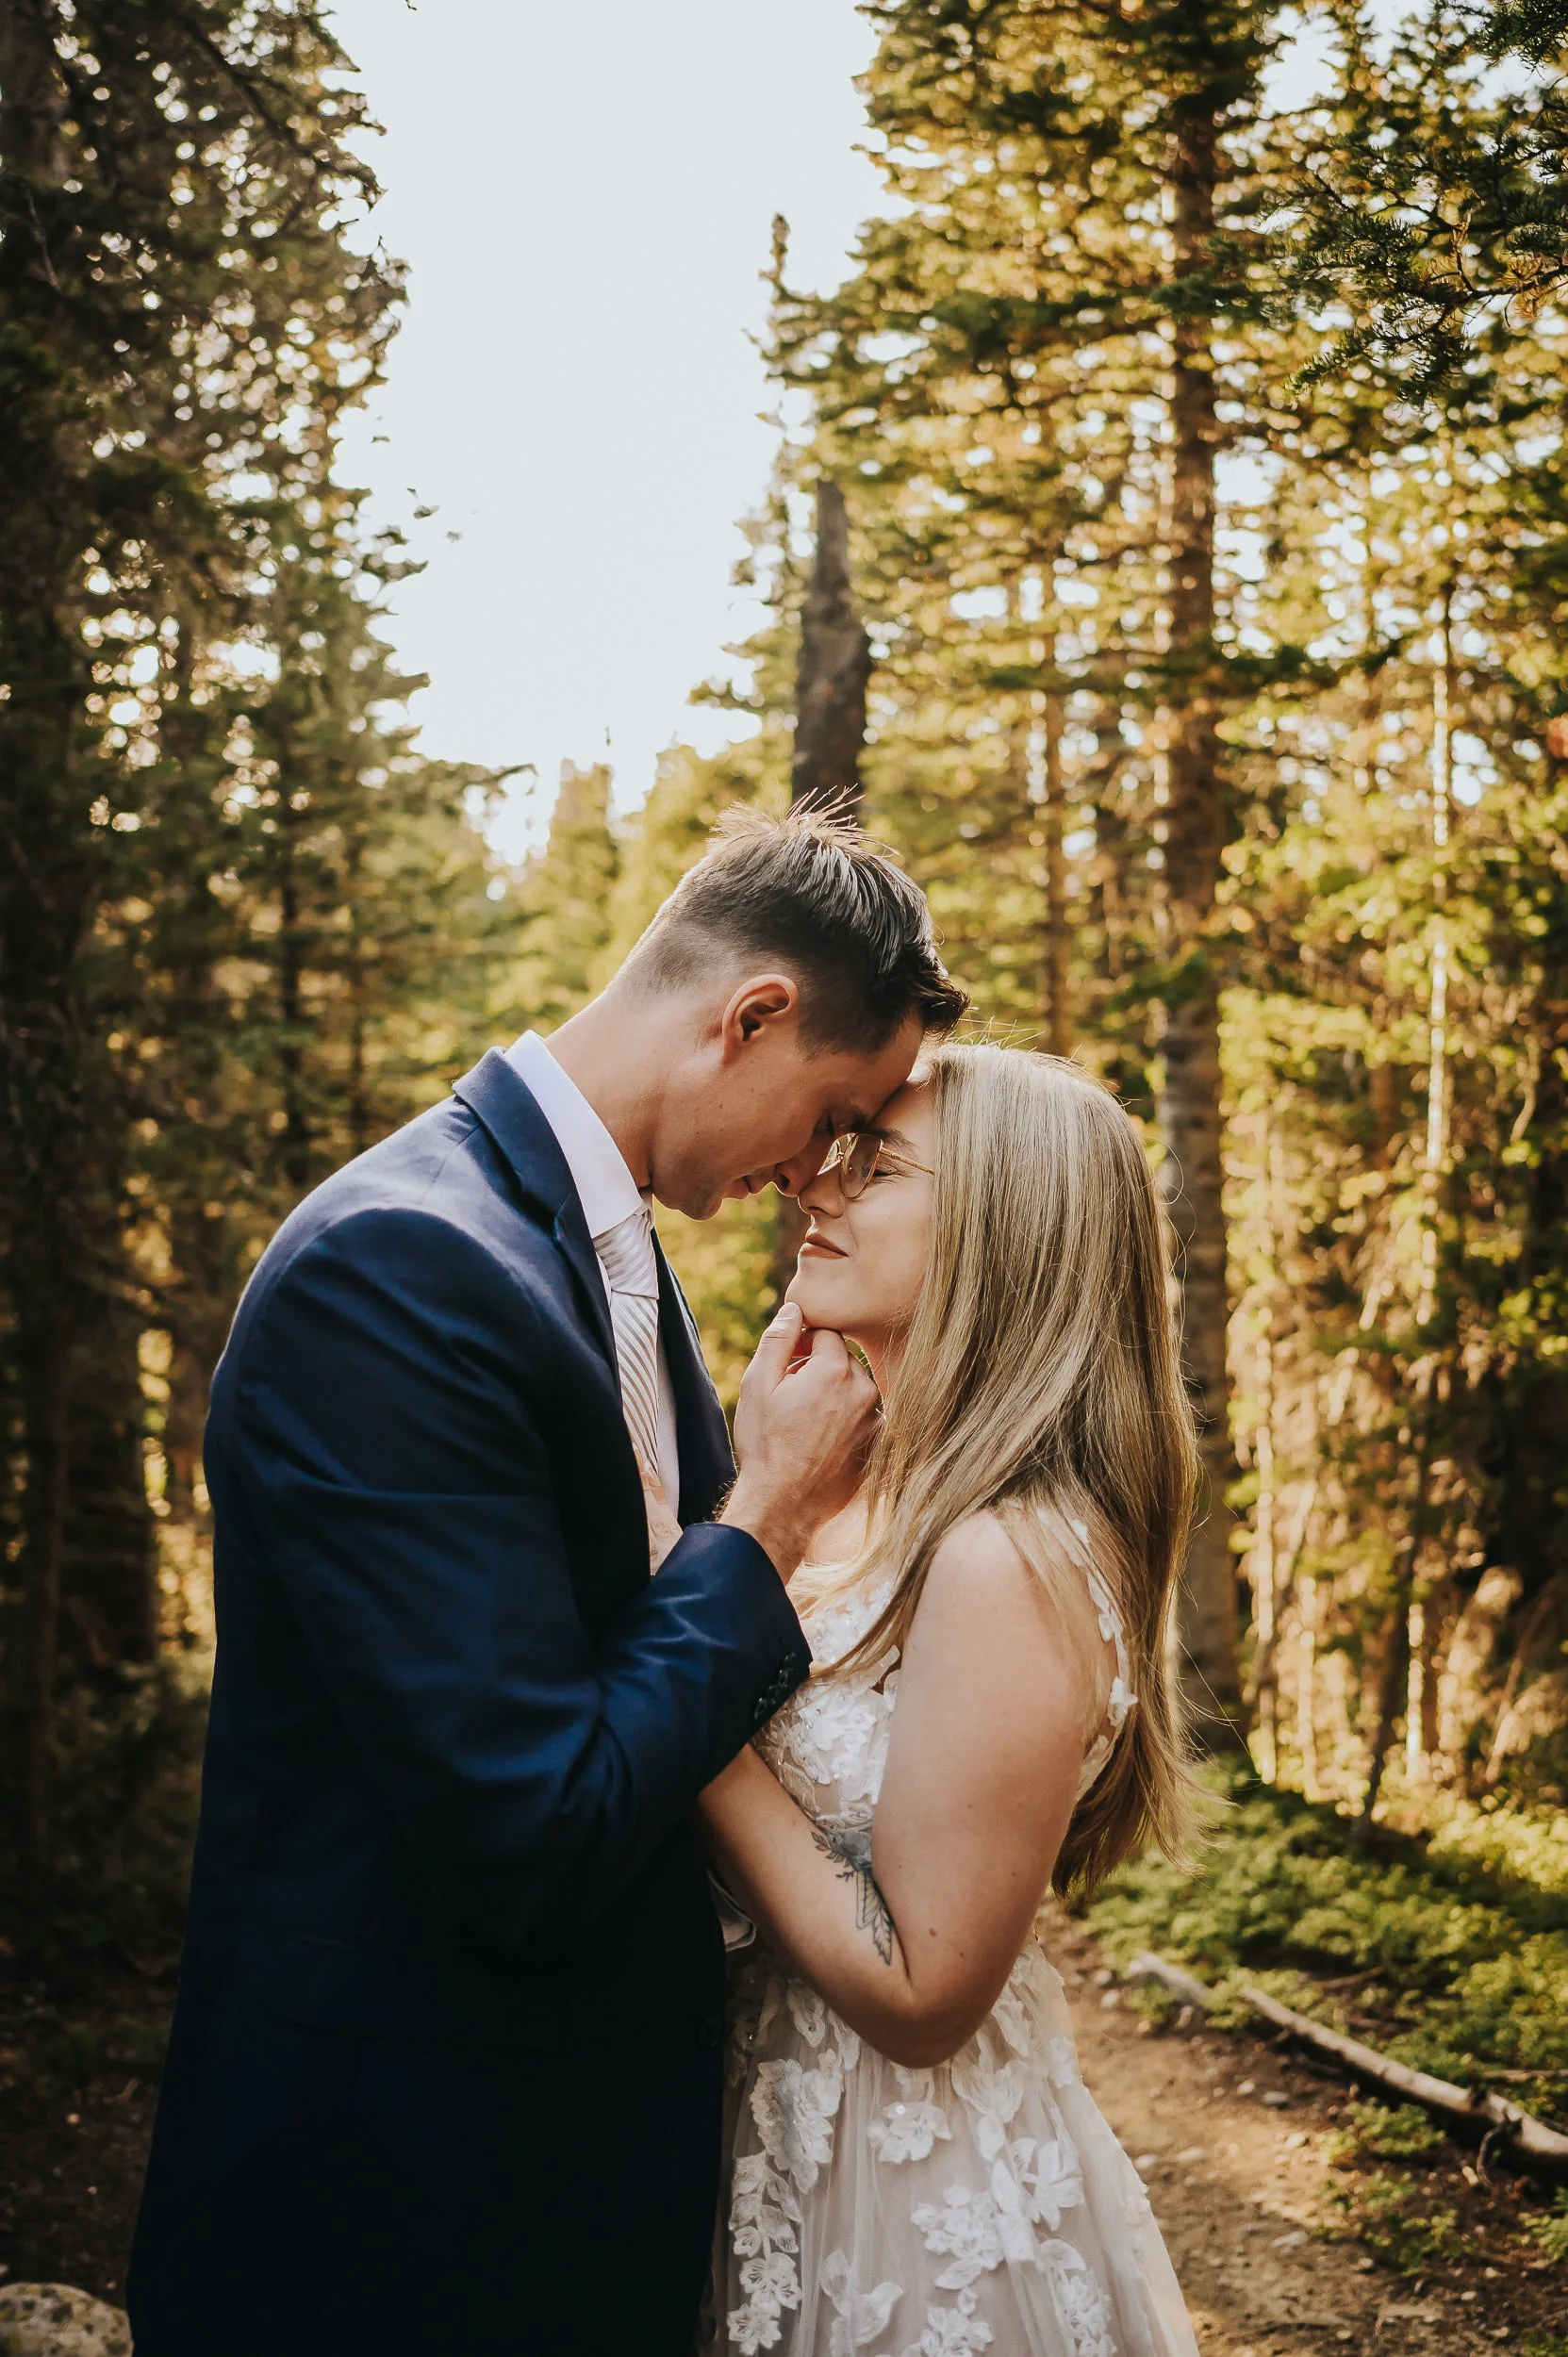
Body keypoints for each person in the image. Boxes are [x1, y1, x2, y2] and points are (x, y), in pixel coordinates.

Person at [126, 810, 966, 2357]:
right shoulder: (398, 1268)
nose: (815, 1173)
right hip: (393, 2216)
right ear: (753, 1015)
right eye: (833, 1113)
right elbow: (529, 1825)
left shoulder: (602, 1256)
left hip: (564, 2182)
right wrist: (766, 1521)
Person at [698, 1045, 1203, 2357]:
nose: (813, 1180)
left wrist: (682, 1719)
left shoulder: (1005, 1554)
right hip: (764, 2151)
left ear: (1004, 1234)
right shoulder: (848, 1486)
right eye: (832, 1154)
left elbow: (924, 1995)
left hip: (907, 2212)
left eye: (878, 1166)